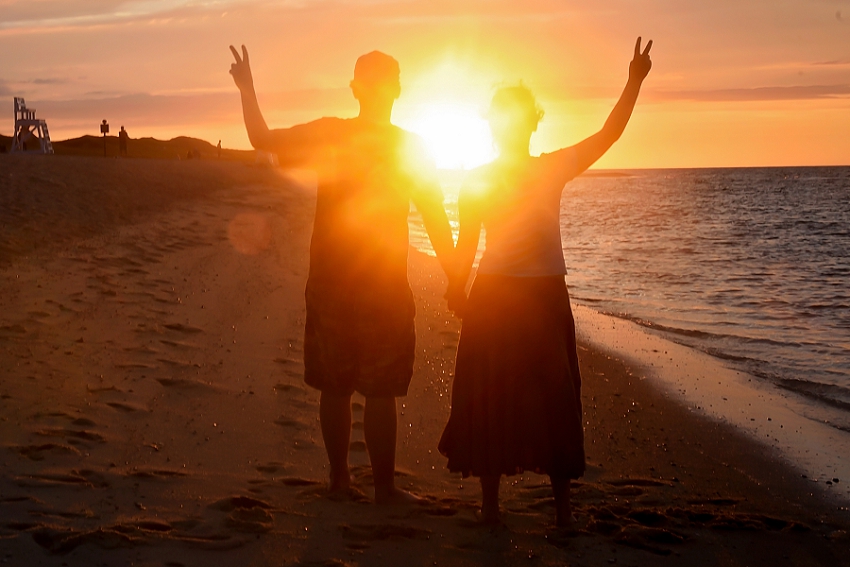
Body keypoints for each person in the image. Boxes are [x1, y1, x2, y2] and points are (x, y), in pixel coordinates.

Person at [438, 37, 653, 526]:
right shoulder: (542, 168)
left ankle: (498, 509)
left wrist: (455, 287)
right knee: (549, 397)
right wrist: (632, 81)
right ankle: (557, 514)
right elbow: (609, 134)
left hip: (503, 296)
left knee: (497, 398)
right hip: (531, 297)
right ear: (528, 122)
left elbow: (463, 248)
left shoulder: (485, 177)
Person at [229, 46, 455, 503]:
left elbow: (261, 138)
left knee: (337, 386)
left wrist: (248, 87)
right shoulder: (409, 145)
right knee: (379, 389)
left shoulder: (331, 133)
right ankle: (384, 489)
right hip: (381, 283)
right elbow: (435, 217)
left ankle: (339, 480)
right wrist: (457, 277)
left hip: (334, 280)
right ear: (396, 89)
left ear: (356, 89)